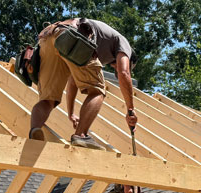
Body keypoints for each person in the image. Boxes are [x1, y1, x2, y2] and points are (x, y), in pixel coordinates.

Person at [29, 17, 138, 149]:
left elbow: (73, 82)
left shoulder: (101, 49)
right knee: (97, 91)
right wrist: (130, 110)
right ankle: (80, 135)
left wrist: (71, 113)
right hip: (73, 36)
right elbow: (124, 73)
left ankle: (35, 129)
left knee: (48, 100)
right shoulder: (123, 43)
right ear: (130, 57)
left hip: (49, 37)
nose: (115, 67)